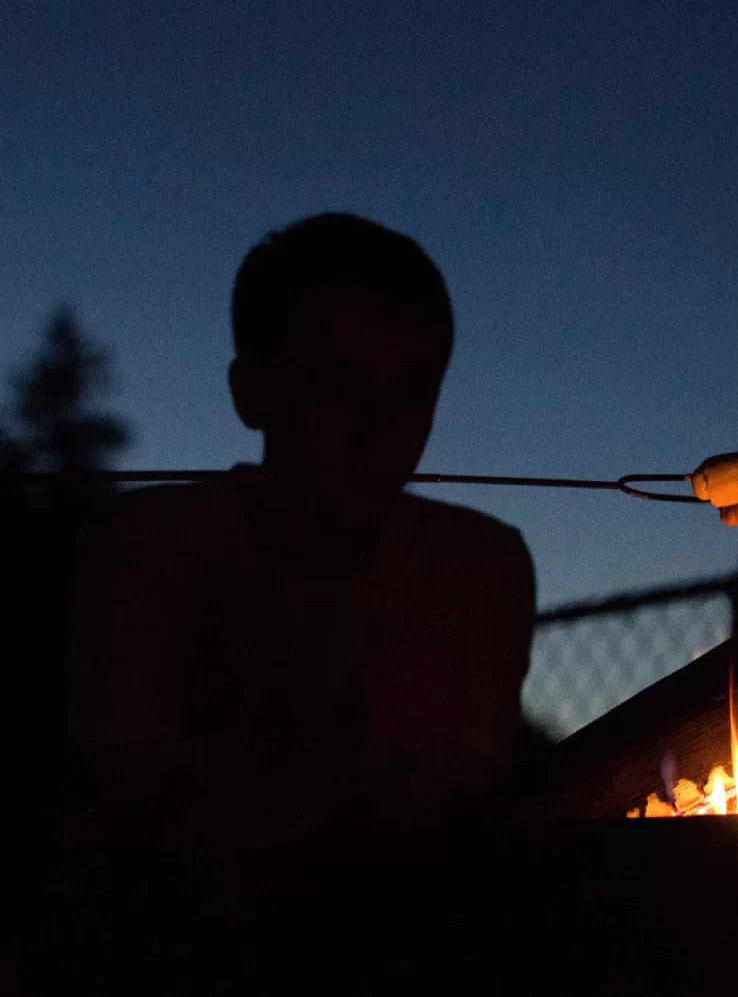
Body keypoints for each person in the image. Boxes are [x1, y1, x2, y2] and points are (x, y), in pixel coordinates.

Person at [69, 213, 536, 914]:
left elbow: (464, 827)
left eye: (412, 391)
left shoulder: (478, 568)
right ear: (251, 392)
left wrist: (419, 762)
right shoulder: (151, 548)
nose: (383, 428)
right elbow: (133, 823)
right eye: (339, 384)